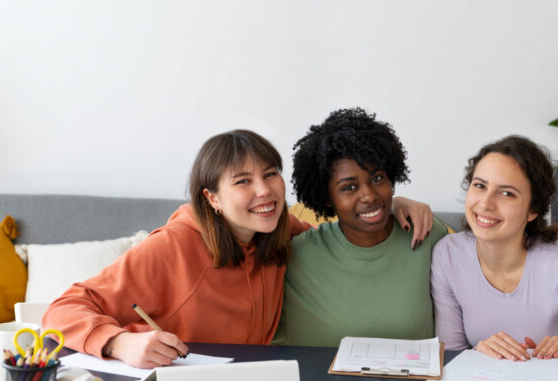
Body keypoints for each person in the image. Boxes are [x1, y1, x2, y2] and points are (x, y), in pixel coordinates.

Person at [43, 130, 431, 368]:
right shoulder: (172, 247)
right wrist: (120, 342)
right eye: (243, 181)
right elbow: (63, 309)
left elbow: (342, 231)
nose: (264, 191)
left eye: (270, 174)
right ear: (212, 198)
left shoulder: (281, 232)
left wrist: (390, 205)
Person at [431, 135, 558, 360]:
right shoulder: (448, 256)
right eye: (480, 185)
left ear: (533, 210)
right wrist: (478, 353)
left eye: (507, 193)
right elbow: (451, 355)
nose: (485, 203)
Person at [275, 108, 449, 347]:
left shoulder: (427, 234)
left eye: (377, 179)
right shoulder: (296, 254)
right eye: (349, 187)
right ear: (327, 198)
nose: (369, 196)